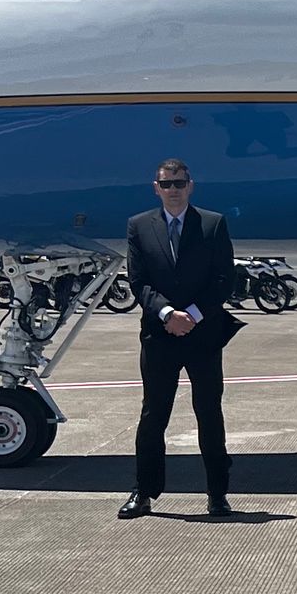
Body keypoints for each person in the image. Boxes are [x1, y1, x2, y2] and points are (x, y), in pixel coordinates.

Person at [119, 159, 243, 520]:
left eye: (179, 183)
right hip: (160, 335)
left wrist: (193, 315)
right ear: (155, 187)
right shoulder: (139, 226)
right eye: (166, 183)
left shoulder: (212, 223)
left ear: (191, 186)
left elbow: (224, 278)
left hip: (202, 334)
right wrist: (167, 314)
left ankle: (218, 495)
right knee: (153, 414)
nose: (173, 189)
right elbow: (138, 281)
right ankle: (143, 492)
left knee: (209, 413)